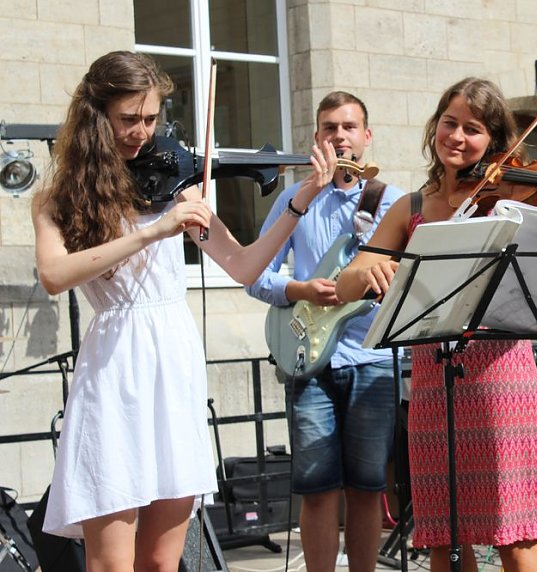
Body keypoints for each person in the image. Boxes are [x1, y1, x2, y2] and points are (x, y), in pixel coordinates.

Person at [32, 50, 331, 571]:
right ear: (96, 116)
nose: (142, 133)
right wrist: (154, 231)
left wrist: (299, 201)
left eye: (151, 118)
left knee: (161, 562)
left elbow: (243, 266)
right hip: (114, 370)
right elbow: (55, 275)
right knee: (110, 564)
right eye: (128, 119)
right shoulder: (58, 199)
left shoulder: (176, 186)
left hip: (173, 364)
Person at [336, 77, 537, 572]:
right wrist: (370, 272)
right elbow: (346, 285)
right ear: (435, 126)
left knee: (517, 534)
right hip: (434, 383)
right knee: (444, 535)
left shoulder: (512, 200)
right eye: (450, 123)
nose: (457, 137)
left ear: (494, 141)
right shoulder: (411, 207)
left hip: (500, 378)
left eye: (473, 129)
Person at [245, 91, 404, 572]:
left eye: (349, 127)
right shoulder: (296, 198)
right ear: (317, 138)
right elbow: (254, 274)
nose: (340, 136)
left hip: (372, 359)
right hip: (307, 356)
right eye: (330, 128)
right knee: (316, 490)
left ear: (366, 136)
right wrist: (299, 289)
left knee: (367, 488)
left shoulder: (393, 202)